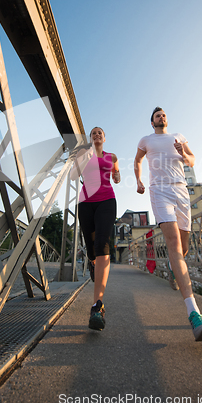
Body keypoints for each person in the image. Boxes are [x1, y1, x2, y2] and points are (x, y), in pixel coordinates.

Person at [134, 107, 202, 342]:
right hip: (159, 191)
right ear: (152, 123)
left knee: (183, 246)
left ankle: (173, 266)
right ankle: (195, 314)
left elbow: (191, 160)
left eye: (164, 115)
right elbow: (138, 160)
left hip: (181, 189)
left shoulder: (178, 137)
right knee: (173, 244)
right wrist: (139, 180)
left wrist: (183, 153)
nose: (162, 117)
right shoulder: (146, 140)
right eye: (158, 116)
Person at [70, 127, 120, 331]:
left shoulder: (112, 156)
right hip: (86, 203)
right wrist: (84, 156)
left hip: (107, 200)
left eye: (100, 133)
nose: (97, 135)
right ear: (90, 139)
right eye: (94, 134)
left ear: (104, 138)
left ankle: (97, 306)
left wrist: (117, 176)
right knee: (91, 248)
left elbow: (117, 175)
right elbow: (73, 176)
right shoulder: (83, 154)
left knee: (102, 244)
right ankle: (92, 262)